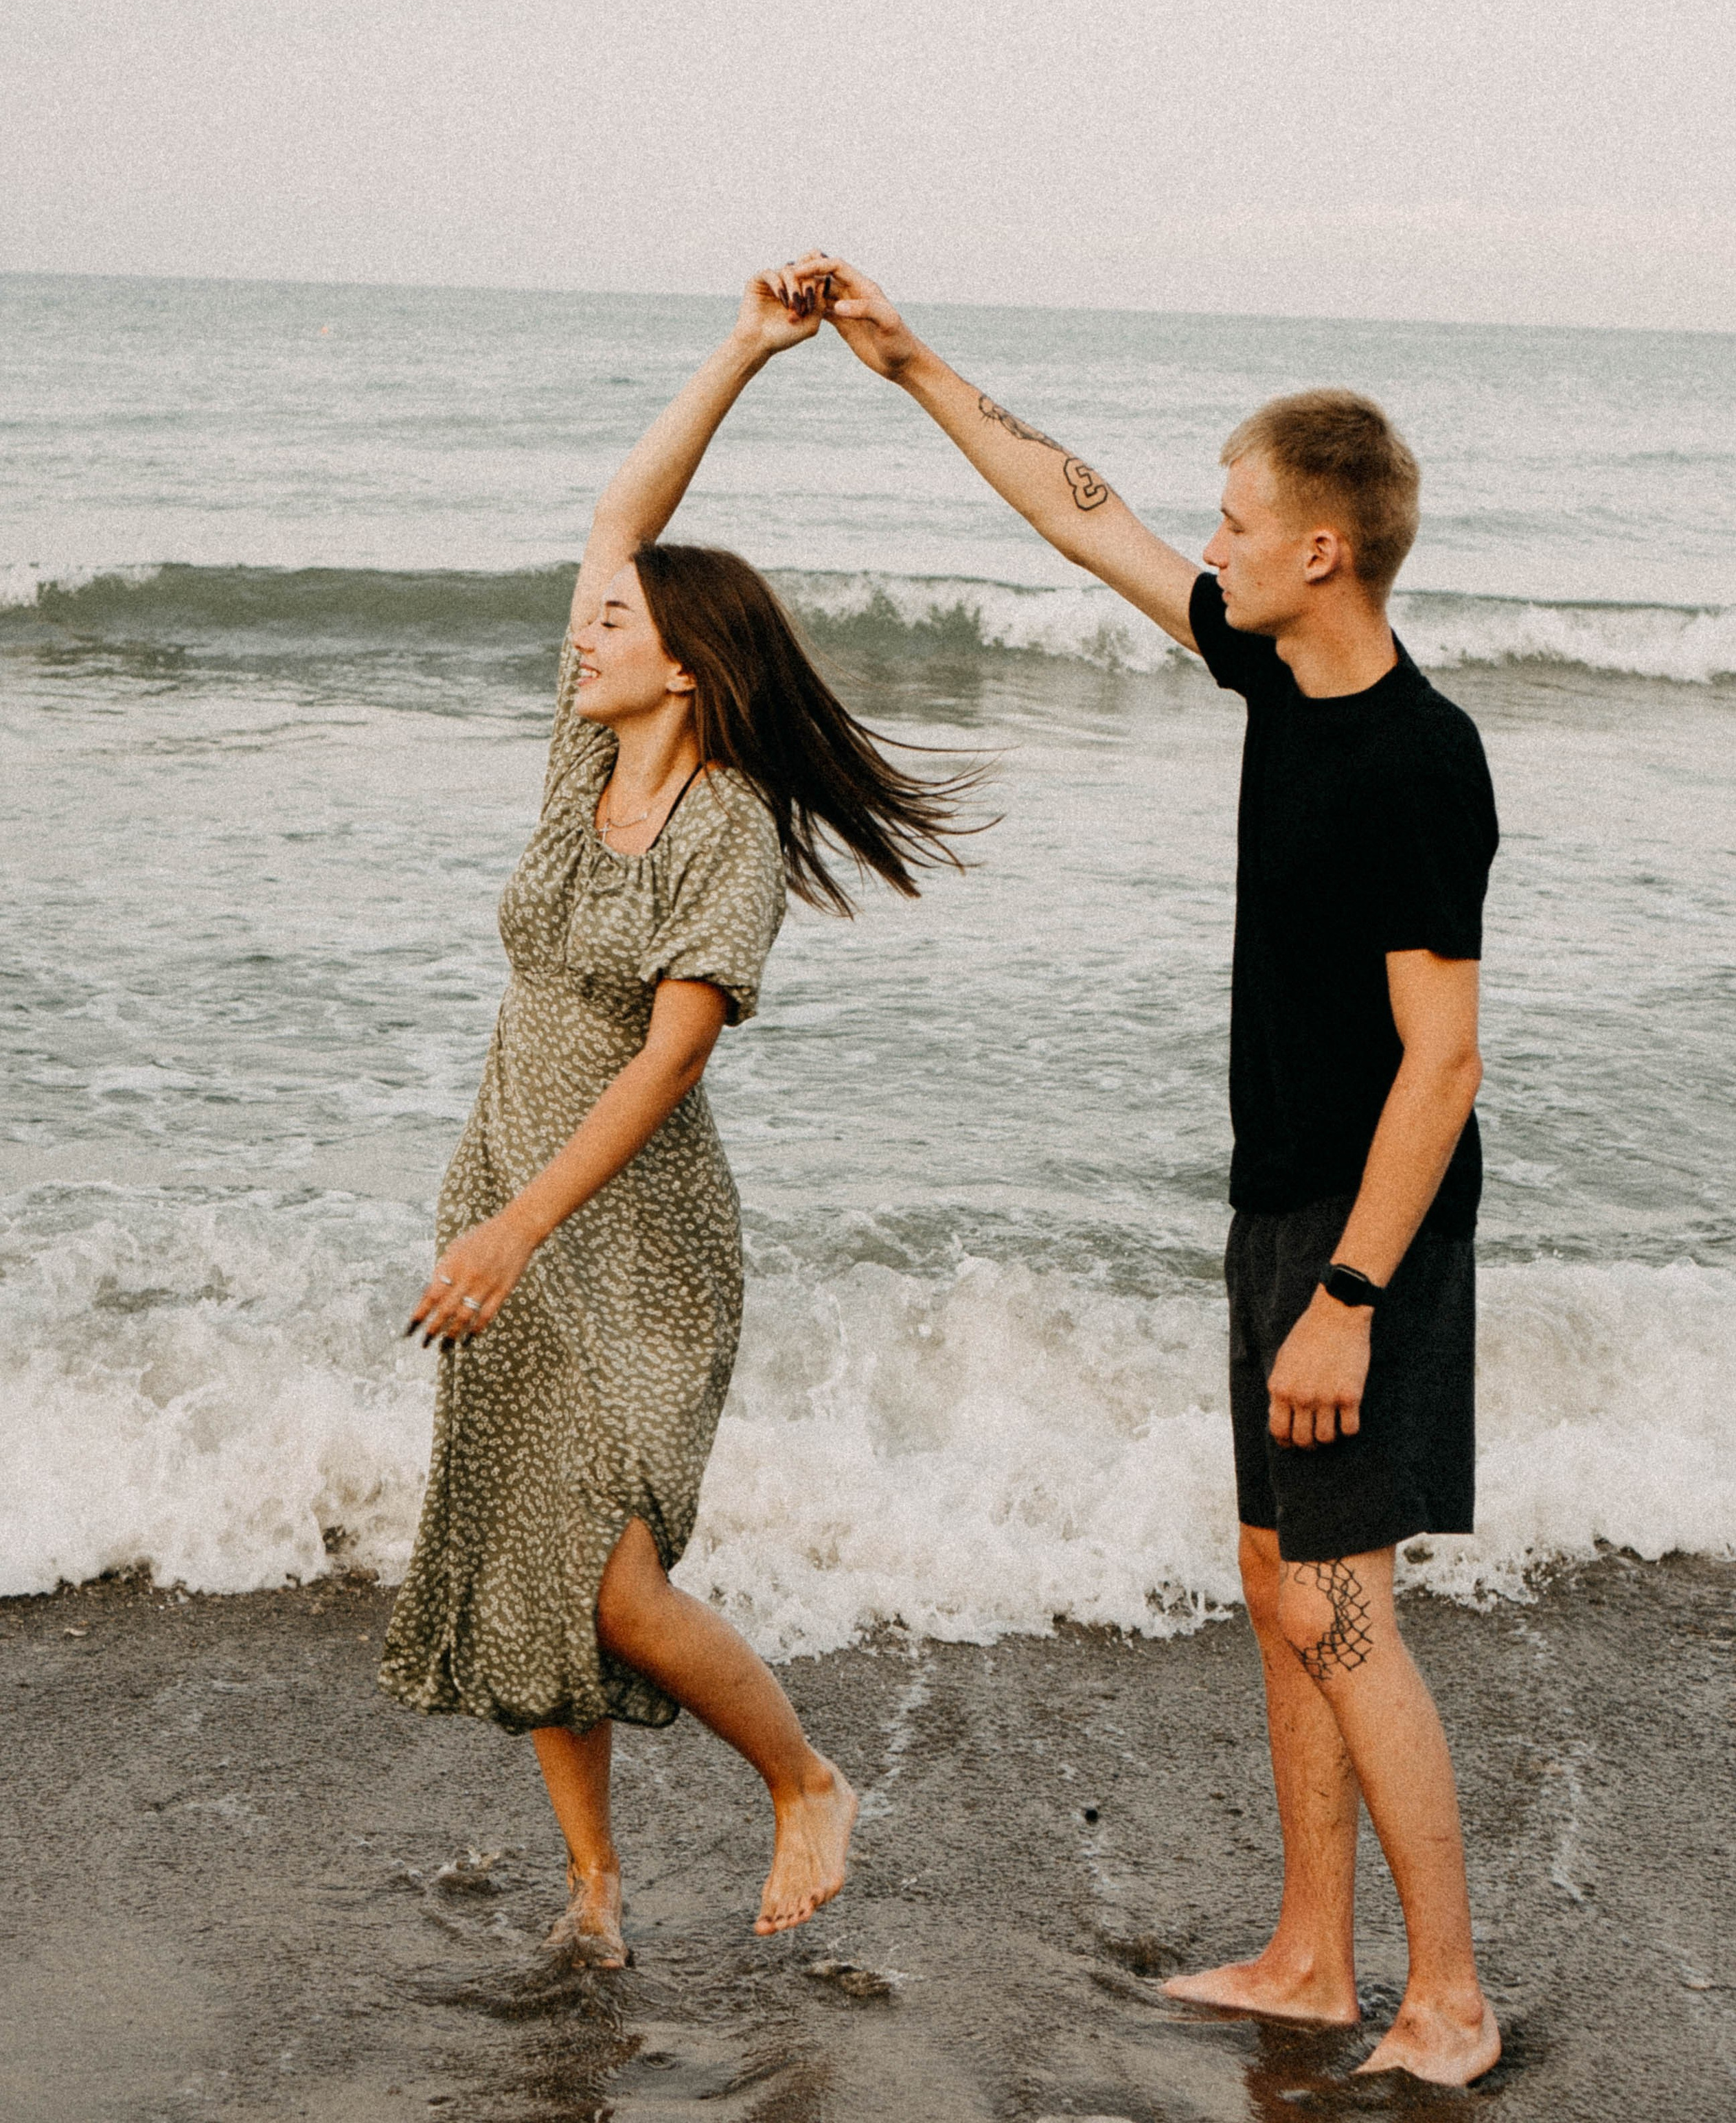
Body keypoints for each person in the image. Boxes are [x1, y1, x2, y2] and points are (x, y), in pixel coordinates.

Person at [804, 256, 1501, 2089]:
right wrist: (911, 366)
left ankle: (1447, 1999)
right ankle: (1306, 1953)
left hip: (1370, 1240)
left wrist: (1349, 1300)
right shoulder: (1278, 678)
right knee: (1283, 1590)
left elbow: (1446, 1061)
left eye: (1242, 513)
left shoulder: (1422, 761)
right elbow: (1080, 510)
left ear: (1324, 552)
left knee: (1344, 1615)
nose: (1215, 534)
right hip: (1281, 1206)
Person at [378, 258, 979, 1966]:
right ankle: (594, 1895)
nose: (587, 631)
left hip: (629, 1239)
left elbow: (665, 1065)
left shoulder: (726, 834)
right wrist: (742, 350)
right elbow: (614, 520)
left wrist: (515, 1227)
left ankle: (803, 1780)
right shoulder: (584, 763)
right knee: (523, 1553)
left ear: (690, 668)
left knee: (610, 1582)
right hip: (500, 1185)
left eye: (619, 625)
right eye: (597, 617)